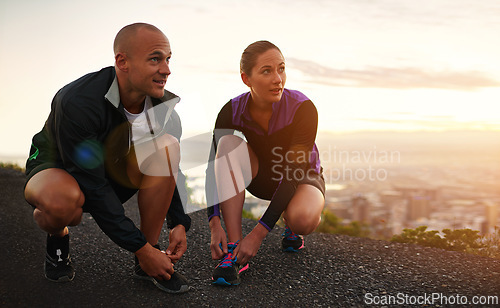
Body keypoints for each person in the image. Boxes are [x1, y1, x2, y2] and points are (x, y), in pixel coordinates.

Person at [24, 23, 191, 294]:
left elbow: (174, 170)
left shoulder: (165, 112)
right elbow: (91, 183)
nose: (166, 69)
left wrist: (179, 223)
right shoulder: (78, 100)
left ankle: (145, 259)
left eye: (168, 59)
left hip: (114, 170)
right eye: (155, 59)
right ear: (122, 61)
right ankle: (58, 237)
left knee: (168, 147)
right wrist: (137, 245)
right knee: (63, 204)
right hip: (60, 169)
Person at [205, 40, 325, 286]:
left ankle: (291, 223)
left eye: (281, 69)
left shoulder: (303, 108)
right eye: (267, 71)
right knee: (227, 144)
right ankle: (235, 251)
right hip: (263, 176)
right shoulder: (231, 110)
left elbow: (293, 174)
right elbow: (213, 163)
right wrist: (214, 223)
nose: (278, 79)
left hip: (301, 177)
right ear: (246, 79)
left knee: (301, 219)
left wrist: (258, 235)